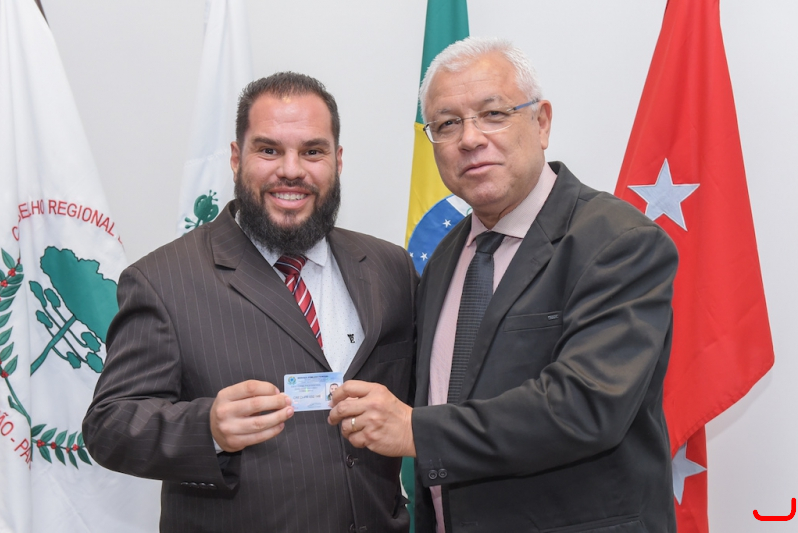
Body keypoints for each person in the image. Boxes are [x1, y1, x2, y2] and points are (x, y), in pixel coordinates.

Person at [328, 37, 678, 532]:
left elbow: (585, 407)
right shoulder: (445, 257)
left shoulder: (619, 242)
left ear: (542, 122)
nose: (470, 138)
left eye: (493, 114)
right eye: (447, 124)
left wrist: (415, 431)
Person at [83, 72, 417, 533]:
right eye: (269, 150)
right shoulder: (162, 280)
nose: (292, 170)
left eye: (313, 151)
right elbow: (109, 425)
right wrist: (207, 429)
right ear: (236, 158)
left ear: (338, 161)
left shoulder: (390, 266)